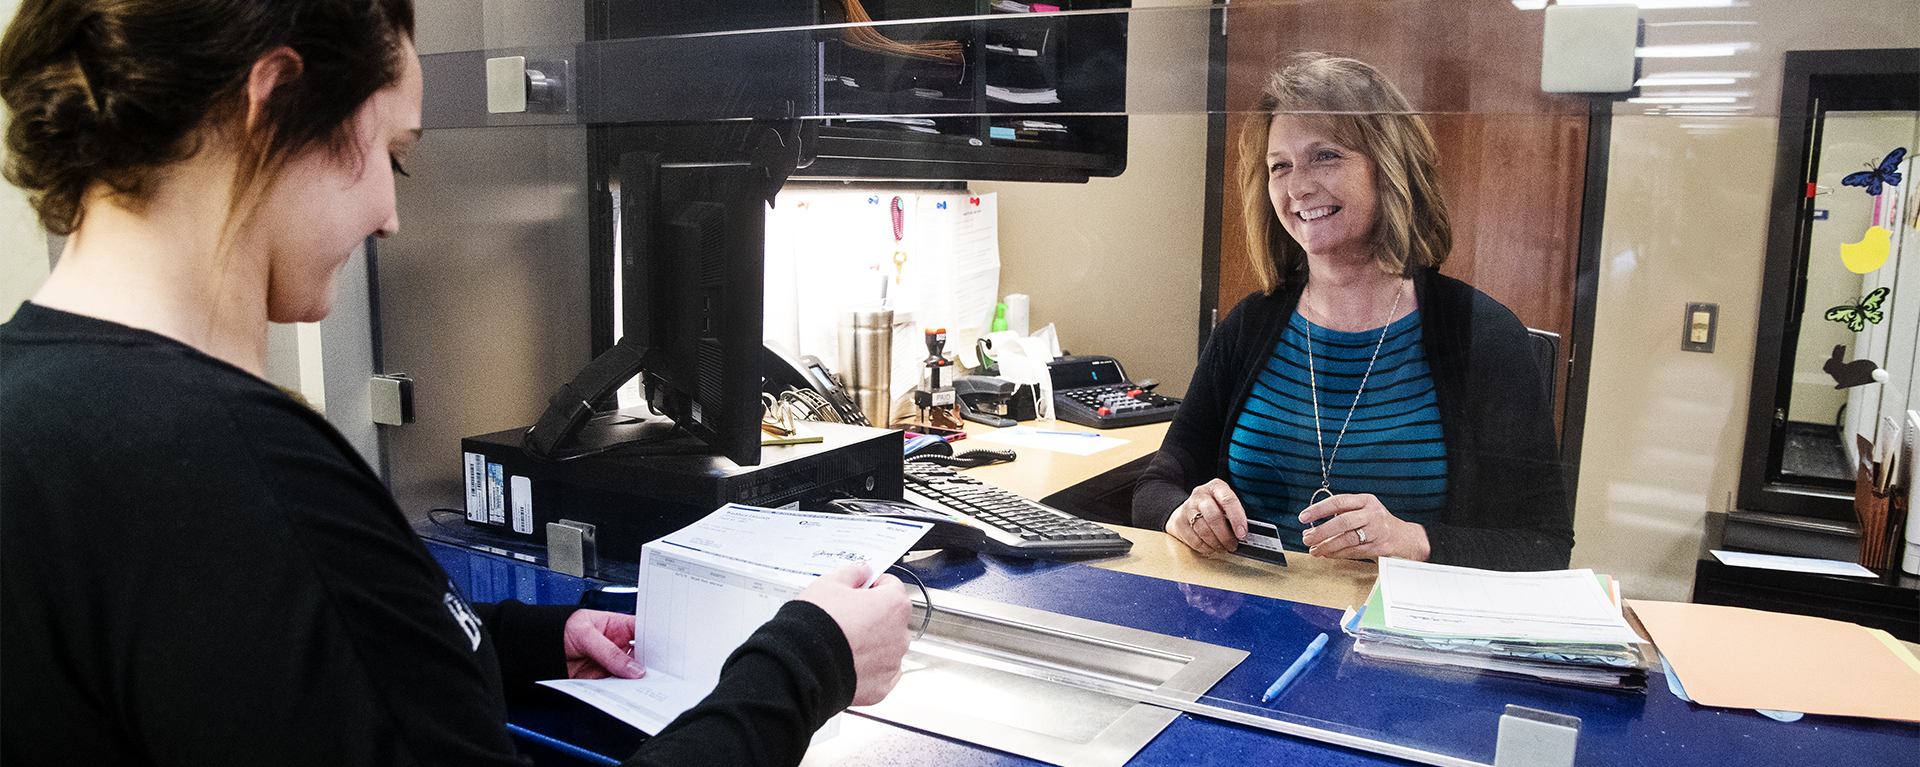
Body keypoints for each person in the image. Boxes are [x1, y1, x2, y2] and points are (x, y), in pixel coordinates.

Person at [0, 1, 910, 765]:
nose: (391, 217)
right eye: (393, 157)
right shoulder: (233, 472)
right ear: (273, 102)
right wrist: (809, 660)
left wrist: (522, 640)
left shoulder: (35, 401)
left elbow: (284, 669)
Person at [1133, 53, 1572, 572]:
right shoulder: (1249, 325)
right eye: (1280, 166)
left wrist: (1415, 541)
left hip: (1401, 632)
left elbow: (1543, 547)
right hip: (1249, 617)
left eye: (1325, 156)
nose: (1297, 187)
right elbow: (1155, 486)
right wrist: (1184, 512)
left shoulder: (1482, 332)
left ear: (1387, 167)